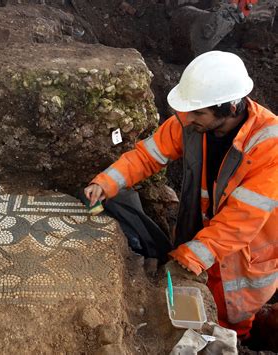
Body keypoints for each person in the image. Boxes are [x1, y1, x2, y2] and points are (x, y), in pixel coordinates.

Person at [84, 51, 277, 339]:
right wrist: (107, 182)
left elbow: (240, 221)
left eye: (198, 113)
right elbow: (147, 156)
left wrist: (190, 256)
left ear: (231, 108)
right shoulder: (191, 123)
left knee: (230, 321)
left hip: (242, 259)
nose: (187, 119)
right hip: (203, 238)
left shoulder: (270, 146)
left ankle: (247, 337)